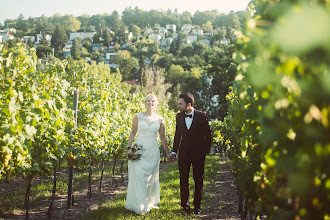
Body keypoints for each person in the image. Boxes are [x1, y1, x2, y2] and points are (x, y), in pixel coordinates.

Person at [125, 94, 171, 215]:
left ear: (156, 104)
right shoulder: (138, 117)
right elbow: (133, 132)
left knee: (150, 179)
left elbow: (163, 137)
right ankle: (138, 205)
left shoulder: (160, 119)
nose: (150, 103)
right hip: (139, 150)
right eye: (147, 101)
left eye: (152, 101)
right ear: (145, 103)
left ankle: (148, 202)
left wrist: (167, 152)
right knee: (139, 176)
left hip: (153, 151)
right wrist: (129, 148)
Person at [171, 92, 211, 215]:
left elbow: (208, 135)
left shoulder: (202, 116)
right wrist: (174, 151)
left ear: (188, 104)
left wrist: (205, 151)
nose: (178, 106)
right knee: (183, 180)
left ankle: (197, 206)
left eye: (180, 104)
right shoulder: (179, 116)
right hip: (183, 154)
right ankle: (185, 206)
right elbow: (177, 135)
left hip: (198, 154)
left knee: (198, 180)